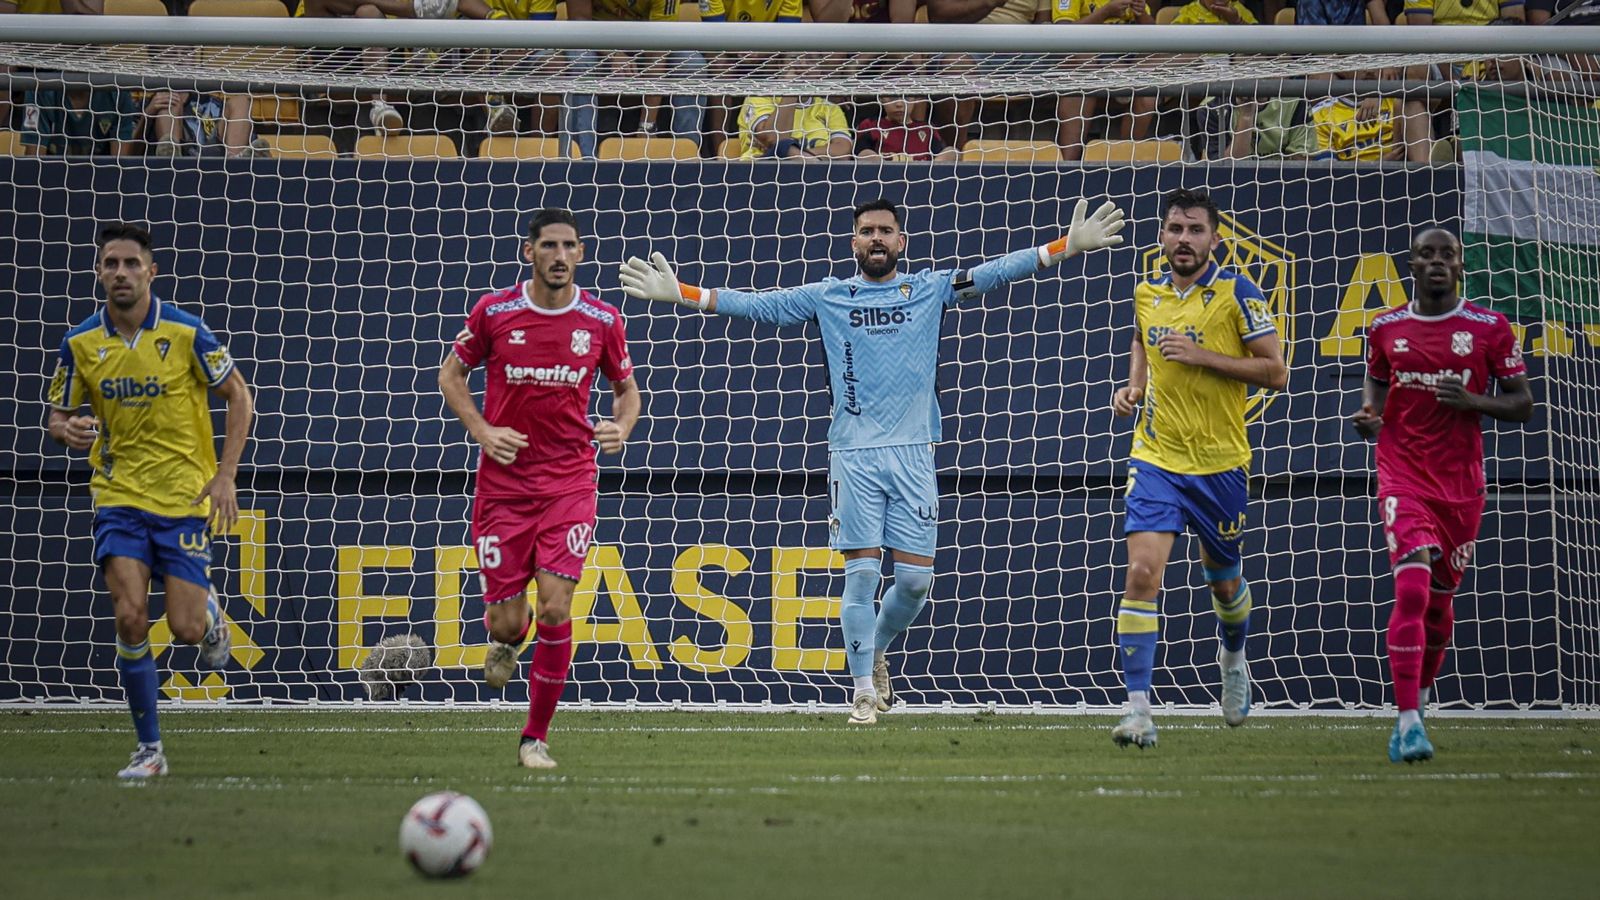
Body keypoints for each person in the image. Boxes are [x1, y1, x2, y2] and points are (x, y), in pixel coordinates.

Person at [619, 196, 1126, 724]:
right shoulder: (830, 296)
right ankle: (862, 689)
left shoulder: (930, 289)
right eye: (867, 230)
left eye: (886, 230)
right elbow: (759, 305)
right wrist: (683, 293)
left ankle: (875, 648)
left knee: (913, 584)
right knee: (861, 576)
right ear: (854, 241)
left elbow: (994, 272)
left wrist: (1066, 247)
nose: (877, 238)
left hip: (913, 453)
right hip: (854, 454)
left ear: (901, 241)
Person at [46, 223, 255, 779]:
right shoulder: (81, 343)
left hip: (184, 497)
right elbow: (58, 416)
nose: (120, 272)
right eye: (110, 263)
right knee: (131, 617)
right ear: (99, 272)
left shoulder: (186, 333)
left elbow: (238, 394)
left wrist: (225, 474)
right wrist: (65, 430)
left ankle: (209, 615)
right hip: (118, 496)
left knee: (184, 629)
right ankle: (149, 750)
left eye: (131, 264)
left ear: (150, 272)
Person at [438, 209, 641, 770]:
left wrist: (620, 428)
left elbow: (628, 393)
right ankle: (506, 637)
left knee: (555, 609)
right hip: (503, 487)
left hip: (570, 482)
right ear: (529, 252)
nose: (558, 255)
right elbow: (450, 375)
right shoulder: (495, 311)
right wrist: (481, 429)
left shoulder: (601, 319)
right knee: (508, 621)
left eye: (568, 246)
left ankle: (534, 738)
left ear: (579, 254)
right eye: (548, 245)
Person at [1108, 188, 1287, 749]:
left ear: (1215, 239)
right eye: (1174, 229)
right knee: (1141, 574)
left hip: (1221, 465)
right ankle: (1138, 711)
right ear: (1162, 236)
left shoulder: (1239, 293)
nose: (1182, 240)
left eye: (1194, 230)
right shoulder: (1146, 291)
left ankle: (1233, 661)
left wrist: (1202, 355)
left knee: (1225, 582)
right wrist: (1134, 385)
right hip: (1156, 457)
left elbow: (1276, 372)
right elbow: (1142, 339)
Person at [1352, 228, 1533, 764]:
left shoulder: (1490, 329)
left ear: (1460, 267)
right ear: (1412, 265)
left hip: (1460, 484)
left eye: (1446, 255)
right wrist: (1371, 415)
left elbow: (1522, 403)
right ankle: (1406, 722)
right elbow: (1378, 382)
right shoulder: (1386, 326)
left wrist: (1473, 400)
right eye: (1426, 254)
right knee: (1411, 587)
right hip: (1402, 472)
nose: (1436, 262)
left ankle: (1421, 700)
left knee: (1437, 606)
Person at [738, 94, 854, 160]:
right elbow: (774, 138)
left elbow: (843, 150)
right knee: (784, 146)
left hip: (816, 175)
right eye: (794, 59)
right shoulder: (759, 97)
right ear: (780, 65)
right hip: (760, 172)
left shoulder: (830, 108)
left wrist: (799, 156)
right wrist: (791, 91)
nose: (802, 65)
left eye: (810, 60)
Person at [855, 96, 959, 162]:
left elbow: (942, 154)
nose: (899, 104)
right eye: (892, 98)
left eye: (906, 98)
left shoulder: (927, 129)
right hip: (883, 179)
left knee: (951, 151)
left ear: (916, 99)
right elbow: (860, 154)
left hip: (922, 180)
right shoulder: (872, 125)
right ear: (881, 98)